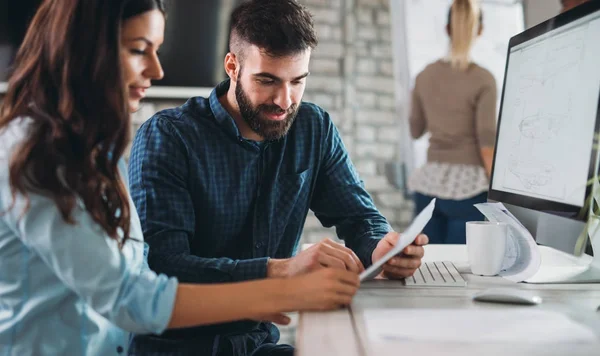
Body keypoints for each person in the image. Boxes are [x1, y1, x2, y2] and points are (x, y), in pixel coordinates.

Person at [0, 1, 362, 355]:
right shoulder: (38, 154)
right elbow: (131, 297)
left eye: (156, 50)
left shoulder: (97, 152)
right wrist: (283, 287)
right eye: (139, 50)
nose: (157, 70)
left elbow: (136, 279)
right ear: (84, 50)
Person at [128, 0, 429, 354]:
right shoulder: (168, 137)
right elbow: (163, 265)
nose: (284, 100)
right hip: (177, 349)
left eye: (297, 81)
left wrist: (382, 249)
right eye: (267, 80)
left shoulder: (313, 128)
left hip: (259, 345)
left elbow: (360, 218)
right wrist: (280, 270)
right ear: (232, 66)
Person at [407, 0, 497, 245]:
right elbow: (486, 138)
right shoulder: (484, 79)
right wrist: (499, 194)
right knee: (464, 270)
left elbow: (415, 130)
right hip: (471, 188)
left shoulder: (424, 75)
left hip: (429, 184)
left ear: (447, 28)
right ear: (479, 30)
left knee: (429, 267)